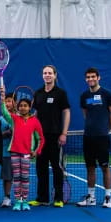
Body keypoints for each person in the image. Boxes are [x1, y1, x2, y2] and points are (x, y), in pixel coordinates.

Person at [30, 65, 70, 208]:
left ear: (55, 76)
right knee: (40, 168)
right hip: (40, 138)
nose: (47, 75)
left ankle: (58, 198)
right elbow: (35, 114)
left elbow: (66, 112)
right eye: (45, 73)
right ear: (42, 76)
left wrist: (64, 133)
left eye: (50, 73)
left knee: (56, 168)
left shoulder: (60, 93)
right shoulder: (38, 93)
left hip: (55, 136)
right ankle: (42, 198)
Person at [77, 67, 111, 208]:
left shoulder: (106, 94)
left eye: (93, 76)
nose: (91, 79)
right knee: (90, 168)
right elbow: (85, 114)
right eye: (88, 77)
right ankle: (91, 197)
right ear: (85, 79)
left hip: (102, 137)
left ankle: (107, 197)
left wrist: (107, 129)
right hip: (88, 137)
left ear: (98, 77)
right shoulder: (84, 96)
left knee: (105, 167)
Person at [0, 85, 45, 211]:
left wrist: (37, 151)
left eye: (25, 105)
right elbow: (4, 111)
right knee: (17, 178)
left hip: (27, 154)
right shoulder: (14, 119)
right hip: (15, 152)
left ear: (29, 107)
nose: (23, 107)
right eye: (21, 106)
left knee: (25, 178)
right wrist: (3, 98)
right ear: (17, 107)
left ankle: (24, 200)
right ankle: (17, 201)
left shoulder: (34, 121)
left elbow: (41, 138)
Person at [0, 93, 15, 207]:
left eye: (11, 101)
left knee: (20, 177)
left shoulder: (20, 117)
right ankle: (7, 197)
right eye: (6, 101)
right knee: (7, 176)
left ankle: (20, 198)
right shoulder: (0, 119)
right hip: (6, 152)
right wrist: (8, 132)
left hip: (19, 152)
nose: (8, 103)